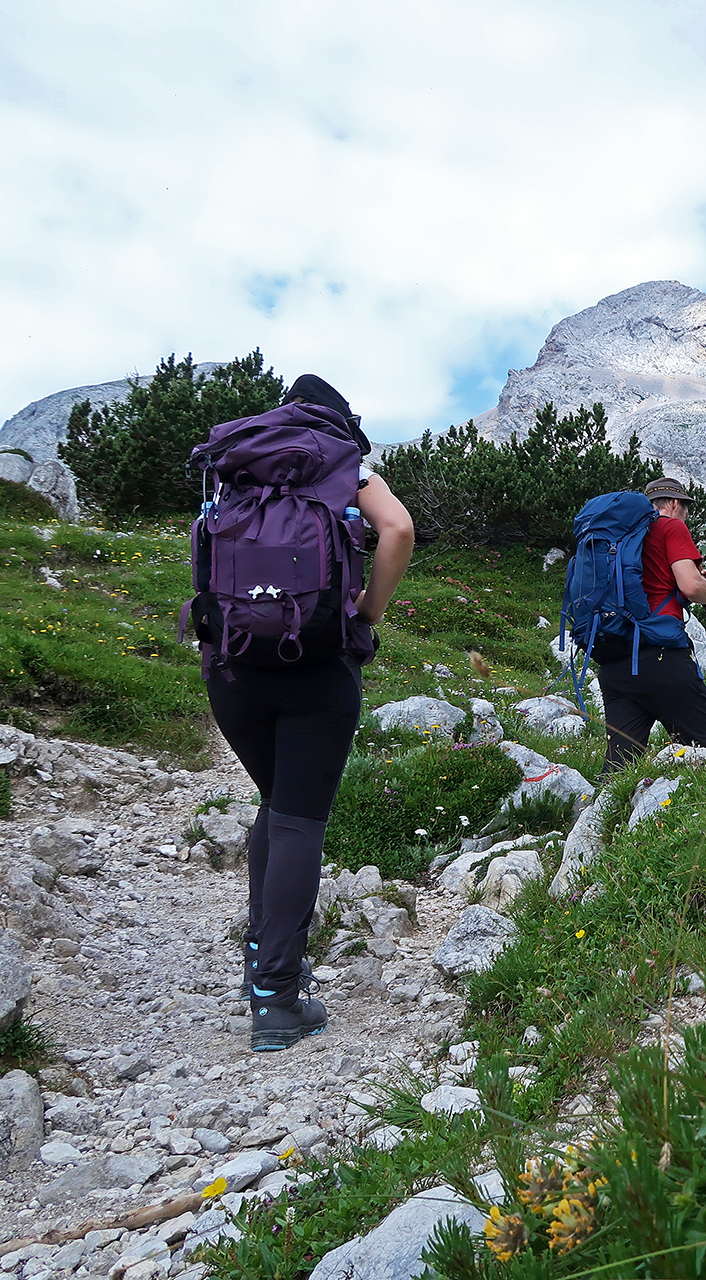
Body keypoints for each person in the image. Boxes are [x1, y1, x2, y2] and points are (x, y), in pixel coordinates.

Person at [205, 374, 414, 1050]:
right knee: (299, 818)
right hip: (318, 663)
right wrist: (368, 614)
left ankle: (260, 964)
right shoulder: (346, 470)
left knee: (275, 802)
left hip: (233, 666)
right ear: (338, 424)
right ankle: (277, 996)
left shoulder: (238, 463)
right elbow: (399, 530)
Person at [591, 477, 706, 770]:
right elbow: (690, 587)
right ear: (675, 504)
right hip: (661, 657)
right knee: (701, 758)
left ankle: (601, 815)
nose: (685, 515)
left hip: (615, 662)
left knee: (619, 767)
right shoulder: (671, 527)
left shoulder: (619, 536)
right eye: (686, 508)